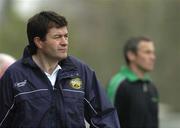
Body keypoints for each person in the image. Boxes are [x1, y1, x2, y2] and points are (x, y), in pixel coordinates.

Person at [0, 11, 120, 128]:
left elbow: (105, 117)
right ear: (39, 42)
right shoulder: (14, 75)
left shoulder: (80, 71)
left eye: (66, 36)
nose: (64, 42)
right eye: (57, 37)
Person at [107, 36, 159, 128]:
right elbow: (107, 121)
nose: (153, 57)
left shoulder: (151, 85)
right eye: (147, 52)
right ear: (131, 55)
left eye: (153, 53)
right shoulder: (118, 83)